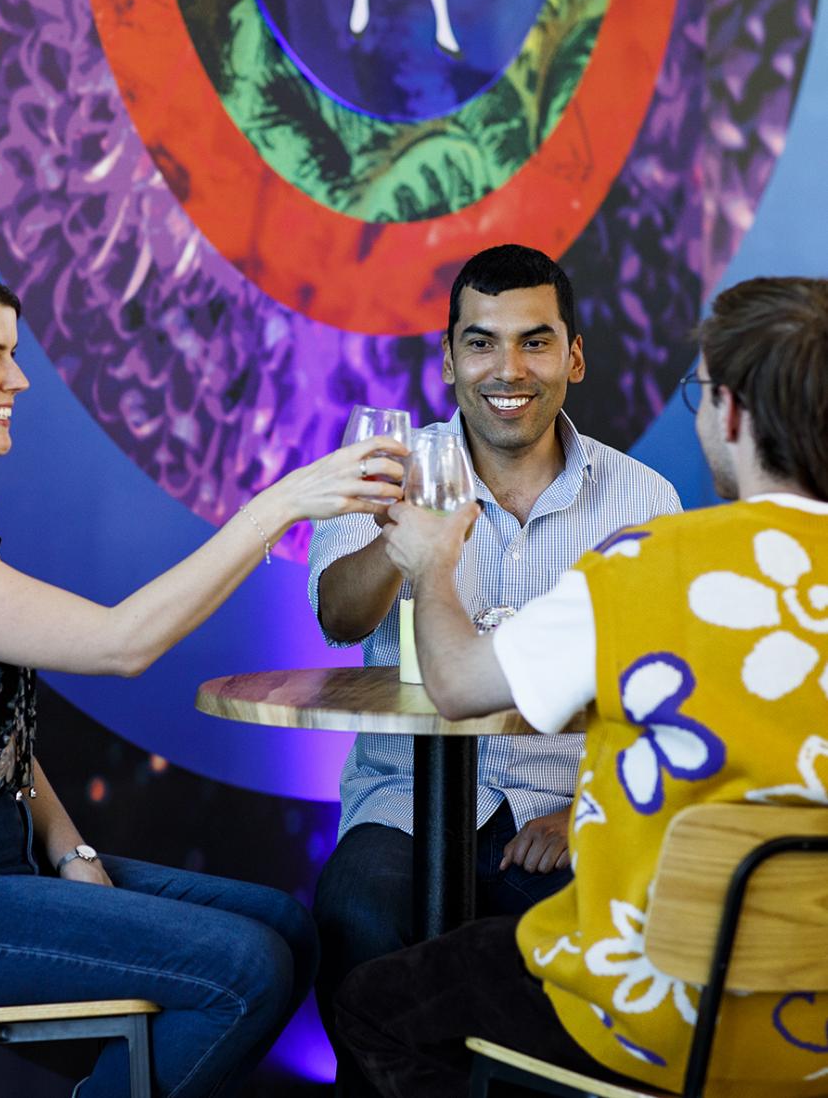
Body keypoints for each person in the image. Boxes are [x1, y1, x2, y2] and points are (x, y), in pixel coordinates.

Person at [0, 254, 407, 1098]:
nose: (21, 379)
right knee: (248, 969)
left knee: (288, 929)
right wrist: (284, 503)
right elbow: (122, 644)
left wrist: (69, 846)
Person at [336, 274, 828, 1098]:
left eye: (700, 394)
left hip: (651, 1019)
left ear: (733, 413)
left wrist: (432, 565)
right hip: (812, 1043)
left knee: (377, 1007)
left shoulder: (652, 562)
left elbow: (456, 684)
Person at [308, 243, 681, 1093]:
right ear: (447, 360)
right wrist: (404, 541)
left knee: (605, 962)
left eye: (534, 341)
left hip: (562, 809)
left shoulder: (646, 500)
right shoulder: (385, 471)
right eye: (480, 342)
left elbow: (659, 694)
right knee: (358, 913)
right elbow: (340, 617)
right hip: (402, 803)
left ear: (573, 357)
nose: (506, 368)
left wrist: (589, 813)